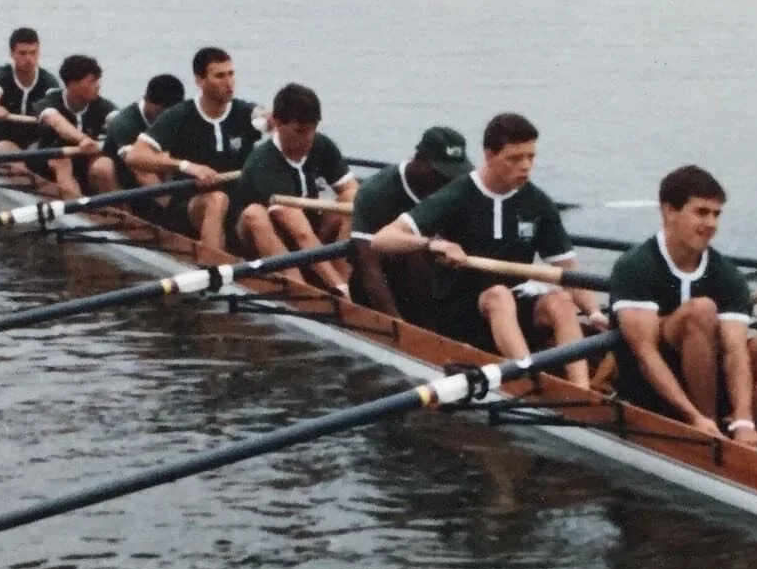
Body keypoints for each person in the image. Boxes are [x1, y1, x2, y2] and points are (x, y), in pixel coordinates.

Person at [370, 111, 606, 389]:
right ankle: (531, 386)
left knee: (561, 300)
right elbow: (382, 239)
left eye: (531, 157)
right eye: (514, 158)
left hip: (511, 310)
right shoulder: (456, 196)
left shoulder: (537, 203)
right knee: (499, 294)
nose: (526, 167)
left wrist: (593, 313)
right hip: (459, 313)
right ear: (489, 155)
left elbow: (567, 270)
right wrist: (433, 244)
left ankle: (582, 392)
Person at [606, 165, 757, 447]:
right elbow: (646, 356)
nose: (711, 224)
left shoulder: (726, 273)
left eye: (716, 214)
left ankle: (748, 438)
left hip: (709, 377)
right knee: (701, 310)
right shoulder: (635, 266)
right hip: (649, 389)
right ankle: (707, 430)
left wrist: (744, 419)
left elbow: (735, 349)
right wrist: (695, 417)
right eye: (701, 212)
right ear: (669, 211)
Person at [124, 46, 266, 249]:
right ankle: (214, 268)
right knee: (216, 200)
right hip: (190, 203)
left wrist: (272, 120)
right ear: (200, 81)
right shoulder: (180, 115)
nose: (229, 83)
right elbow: (135, 156)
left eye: (231, 74)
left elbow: (269, 118)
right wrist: (187, 166)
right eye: (219, 76)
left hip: (238, 204)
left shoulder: (246, 112)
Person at [228, 83, 358, 296]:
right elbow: (299, 232)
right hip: (263, 238)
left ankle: (344, 283)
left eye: (312, 130)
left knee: (353, 199)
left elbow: (354, 193)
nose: (307, 139)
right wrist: (335, 285)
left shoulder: (321, 145)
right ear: (278, 123)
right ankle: (301, 291)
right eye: (300, 131)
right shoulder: (264, 162)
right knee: (255, 213)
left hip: (310, 233)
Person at [349, 127, 472, 321]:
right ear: (419, 160)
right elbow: (368, 267)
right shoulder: (376, 191)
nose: (449, 181)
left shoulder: (456, 187)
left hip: (434, 276)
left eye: (455, 175)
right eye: (442, 174)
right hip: (387, 278)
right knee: (413, 252)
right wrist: (397, 325)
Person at [26, 54, 117, 198]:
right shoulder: (50, 102)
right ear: (72, 84)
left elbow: (119, 120)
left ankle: (122, 213)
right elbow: (55, 120)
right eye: (92, 81)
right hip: (48, 163)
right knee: (63, 162)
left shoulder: (102, 106)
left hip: (83, 163)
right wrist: (82, 139)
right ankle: (78, 211)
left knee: (103, 165)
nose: (98, 85)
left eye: (98, 80)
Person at [0, 26, 61, 154]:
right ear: (12, 54)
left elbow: (57, 111)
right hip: (0, 138)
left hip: (33, 139)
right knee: (15, 158)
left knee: (41, 154)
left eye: (33, 53)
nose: (29, 58)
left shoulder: (49, 81)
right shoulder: (1, 75)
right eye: (22, 53)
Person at [90, 73, 186, 194]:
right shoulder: (124, 122)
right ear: (146, 99)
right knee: (102, 167)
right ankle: (120, 210)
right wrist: (170, 206)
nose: (164, 117)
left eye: (169, 113)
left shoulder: (180, 116)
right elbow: (141, 172)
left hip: (158, 172)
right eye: (159, 111)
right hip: (124, 177)